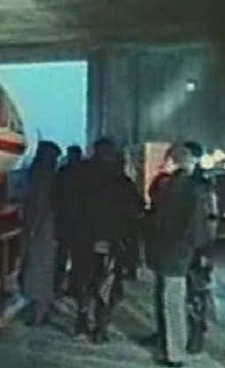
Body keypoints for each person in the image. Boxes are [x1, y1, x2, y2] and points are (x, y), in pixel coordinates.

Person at [71, 137, 142, 342]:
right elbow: (135, 210)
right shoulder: (120, 180)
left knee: (83, 280)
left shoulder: (79, 174)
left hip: (83, 238)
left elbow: (67, 204)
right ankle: (100, 328)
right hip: (111, 239)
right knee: (107, 283)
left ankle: (82, 321)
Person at [148, 144, 203, 367]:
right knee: (175, 303)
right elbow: (197, 226)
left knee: (167, 300)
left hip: (163, 250)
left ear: (172, 161)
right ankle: (176, 352)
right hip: (180, 253)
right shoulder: (193, 189)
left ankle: (169, 348)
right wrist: (197, 250)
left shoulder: (165, 186)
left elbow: (155, 216)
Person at [182, 141, 220, 354]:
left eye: (184, 154)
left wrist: (206, 249)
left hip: (198, 247)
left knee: (197, 291)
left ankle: (197, 332)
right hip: (183, 245)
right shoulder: (183, 182)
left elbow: (210, 220)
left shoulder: (202, 186)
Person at [21, 140, 62, 325]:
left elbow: (37, 204)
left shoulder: (39, 176)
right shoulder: (53, 176)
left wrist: (31, 228)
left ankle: (38, 311)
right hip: (49, 228)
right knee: (45, 268)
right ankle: (44, 307)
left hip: (40, 229)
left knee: (36, 268)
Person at [53, 145, 84, 296]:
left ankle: (58, 286)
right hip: (79, 222)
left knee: (62, 255)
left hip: (65, 220)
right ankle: (74, 286)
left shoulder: (63, 172)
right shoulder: (85, 173)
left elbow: (55, 195)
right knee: (78, 257)